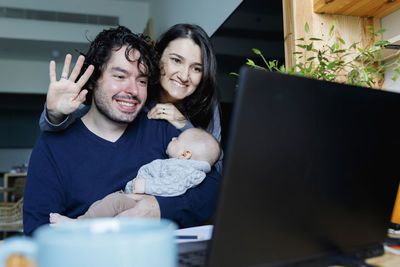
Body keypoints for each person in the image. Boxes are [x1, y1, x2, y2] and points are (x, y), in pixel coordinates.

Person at [23, 26, 221, 235]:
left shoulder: (163, 130)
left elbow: (213, 186)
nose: (133, 91)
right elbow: (39, 234)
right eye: (119, 76)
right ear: (92, 81)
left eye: (142, 81)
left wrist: (159, 209)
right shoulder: (52, 148)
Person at [39, 23, 223, 174]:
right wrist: (55, 114)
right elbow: (93, 117)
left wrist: (183, 123)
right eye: (176, 60)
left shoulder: (207, 102)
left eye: (196, 68)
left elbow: (216, 166)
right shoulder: (136, 94)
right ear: (157, 58)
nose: (184, 75)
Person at [49, 128, 221, 224]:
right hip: (135, 195)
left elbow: (174, 186)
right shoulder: (181, 165)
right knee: (102, 205)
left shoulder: (187, 171)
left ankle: (77, 226)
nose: (173, 138)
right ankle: (86, 223)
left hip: (142, 200)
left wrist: (147, 187)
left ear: (185, 154)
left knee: (114, 203)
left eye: (178, 139)